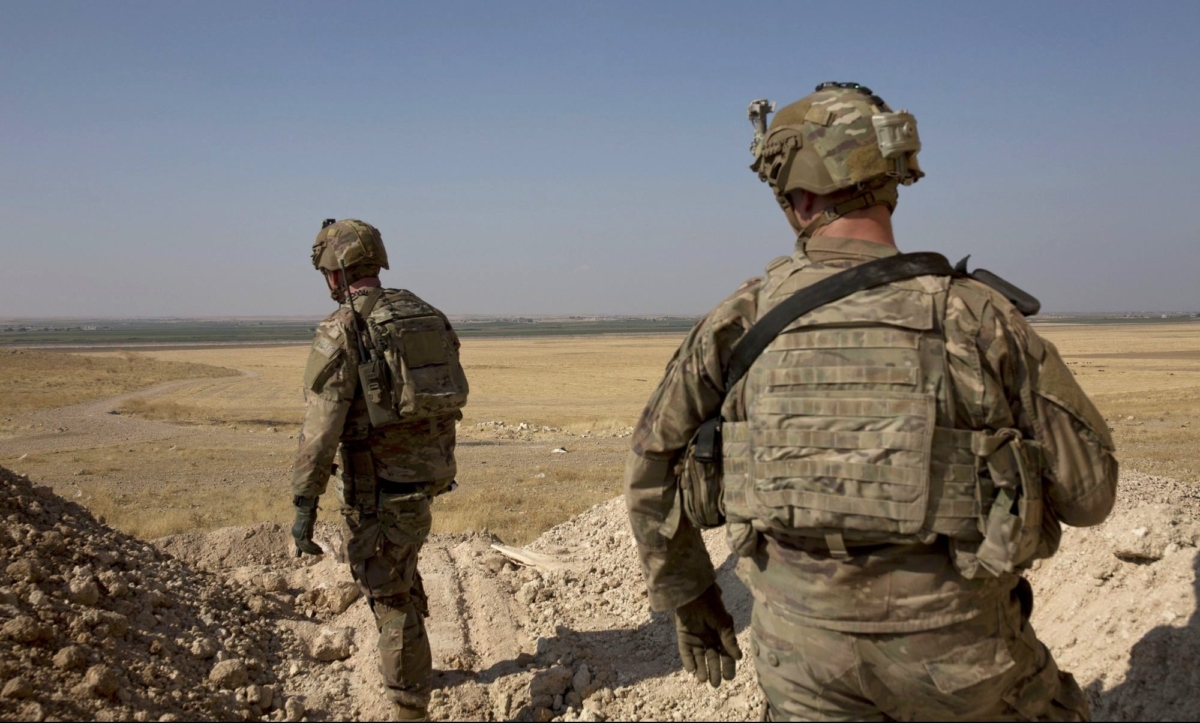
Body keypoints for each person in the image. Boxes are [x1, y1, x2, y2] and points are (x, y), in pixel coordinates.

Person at [624, 83, 1118, 721]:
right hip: (959, 660)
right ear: (889, 183)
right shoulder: (974, 314)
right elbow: (1090, 495)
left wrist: (692, 598)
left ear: (797, 197)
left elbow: (649, 464)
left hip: (799, 661)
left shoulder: (740, 318)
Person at [291, 219, 468, 722]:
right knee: (400, 570)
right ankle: (417, 663)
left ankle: (410, 708)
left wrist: (304, 503)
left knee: (388, 595)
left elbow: (320, 430)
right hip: (423, 479)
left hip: (378, 487)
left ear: (334, 271)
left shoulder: (344, 326)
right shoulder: (423, 313)